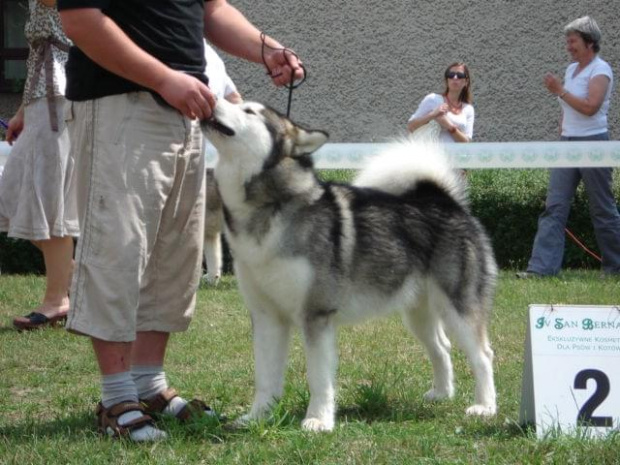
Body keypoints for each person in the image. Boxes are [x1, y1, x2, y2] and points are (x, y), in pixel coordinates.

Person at [57, 0, 304, 442]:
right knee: (119, 248)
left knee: (175, 255)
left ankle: (148, 386)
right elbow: (80, 20)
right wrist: (164, 79)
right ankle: (116, 398)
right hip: (119, 102)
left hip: (185, 111)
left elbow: (211, 9)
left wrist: (265, 49)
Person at [518, 17, 620, 279]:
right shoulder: (572, 69)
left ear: (589, 42)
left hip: (593, 144)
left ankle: (614, 266)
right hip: (567, 144)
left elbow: (590, 108)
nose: (568, 46)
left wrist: (560, 91)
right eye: (568, 40)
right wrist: (562, 131)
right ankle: (540, 270)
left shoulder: (601, 70)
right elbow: (569, 110)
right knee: (554, 206)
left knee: (602, 207)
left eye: (573, 40)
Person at [0, 0, 77, 331]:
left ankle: (58, 299)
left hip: (60, 96)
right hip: (41, 98)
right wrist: (22, 110)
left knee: (49, 199)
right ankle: (79, 281)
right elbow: (37, 54)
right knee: (12, 198)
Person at [202, 41, 242, 286]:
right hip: (219, 156)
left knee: (198, 227)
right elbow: (235, 100)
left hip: (202, 156)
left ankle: (200, 274)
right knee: (209, 229)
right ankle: (213, 274)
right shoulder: (214, 56)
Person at [407, 62, 474, 143]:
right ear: (447, 80)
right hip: (433, 154)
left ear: (466, 82)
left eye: (460, 75)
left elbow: (466, 142)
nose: (455, 78)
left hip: (454, 155)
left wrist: (450, 127)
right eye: (451, 75)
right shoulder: (433, 99)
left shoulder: (468, 109)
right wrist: (433, 115)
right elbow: (411, 126)